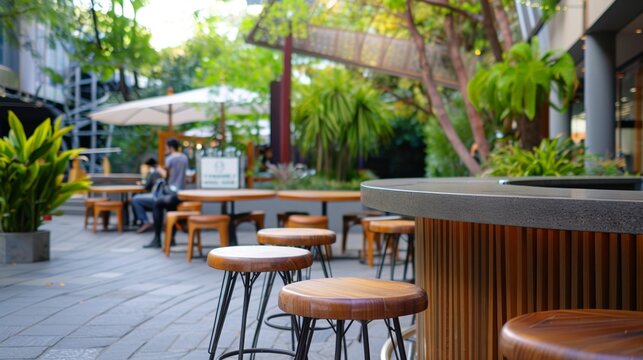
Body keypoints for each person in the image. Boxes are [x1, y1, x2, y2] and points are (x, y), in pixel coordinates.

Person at [144, 138, 189, 248]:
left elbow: (165, 175)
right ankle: (171, 239)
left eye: (166, 147)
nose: (165, 149)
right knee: (171, 210)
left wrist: (159, 169)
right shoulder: (184, 158)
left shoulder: (170, 159)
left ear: (170, 147)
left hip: (172, 192)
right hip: (181, 192)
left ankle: (157, 239)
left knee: (157, 204)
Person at [132, 157, 163, 233]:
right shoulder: (158, 171)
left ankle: (144, 222)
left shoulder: (154, 173)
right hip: (160, 196)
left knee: (135, 199)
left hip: (157, 197)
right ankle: (141, 221)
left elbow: (147, 186)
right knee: (136, 198)